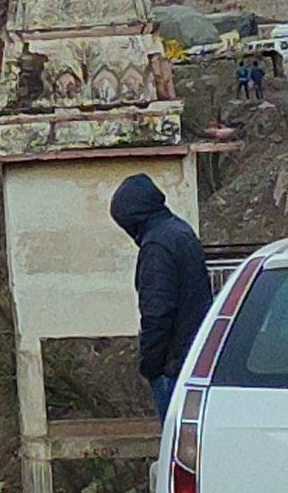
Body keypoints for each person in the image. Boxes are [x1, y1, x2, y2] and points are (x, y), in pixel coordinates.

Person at [110, 174, 214, 420]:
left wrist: (150, 365)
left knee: (174, 437)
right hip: (192, 353)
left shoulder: (156, 247)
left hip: (172, 364)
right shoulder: (180, 231)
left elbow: (158, 312)